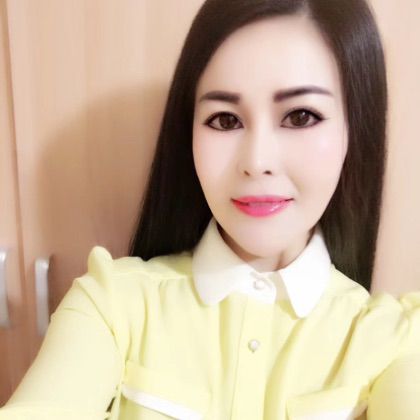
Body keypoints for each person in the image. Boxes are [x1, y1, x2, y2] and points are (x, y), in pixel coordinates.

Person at [1, 0, 419, 419]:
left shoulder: (393, 340)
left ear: (352, 130)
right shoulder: (111, 305)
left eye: (300, 116)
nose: (257, 161)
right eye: (225, 120)